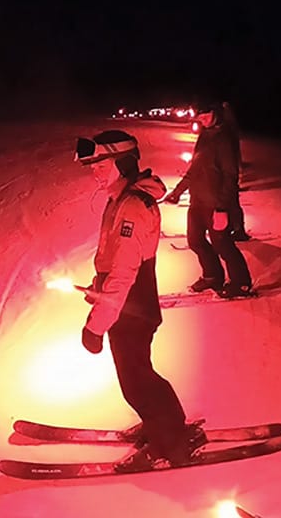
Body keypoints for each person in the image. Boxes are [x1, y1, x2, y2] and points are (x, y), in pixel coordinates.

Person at [74, 130, 205, 470]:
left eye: (101, 163)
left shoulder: (132, 205)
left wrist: (96, 325)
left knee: (136, 381)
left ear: (122, 161)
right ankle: (163, 424)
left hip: (131, 307)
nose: (95, 170)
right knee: (138, 375)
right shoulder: (122, 198)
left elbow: (124, 274)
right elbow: (113, 260)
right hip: (129, 304)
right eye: (92, 165)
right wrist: (97, 284)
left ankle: (170, 443)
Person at [164, 103, 254, 298]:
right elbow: (195, 168)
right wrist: (178, 191)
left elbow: (230, 176)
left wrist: (222, 207)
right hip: (197, 201)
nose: (202, 120)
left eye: (205, 115)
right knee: (195, 240)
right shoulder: (205, 135)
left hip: (216, 204)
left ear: (215, 112)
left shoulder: (224, 139)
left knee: (223, 244)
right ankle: (213, 276)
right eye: (200, 117)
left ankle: (242, 283)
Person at [221, 101, 250, 241]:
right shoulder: (229, 128)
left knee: (231, 201)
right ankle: (233, 226)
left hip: (229, 170)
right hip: (230, 169)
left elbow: (233, 153)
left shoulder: (228, 129)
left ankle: (238, 229)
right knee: (230, 201)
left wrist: (236, 170)